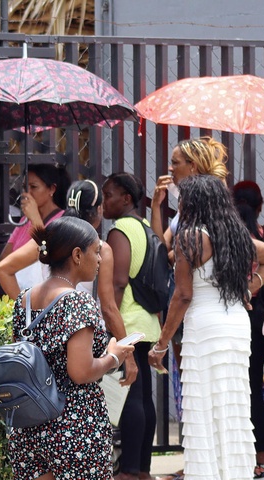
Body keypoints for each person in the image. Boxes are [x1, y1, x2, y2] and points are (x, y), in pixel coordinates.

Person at [146, 174, 264, 479]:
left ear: (192, 202)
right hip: (235, 323)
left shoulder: (191, 236)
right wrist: (248, 289)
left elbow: (182, 295)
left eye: (181, 199)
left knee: (205, 406)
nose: (178, 204)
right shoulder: (233, 233)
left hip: (205, 324)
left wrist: (161, 343)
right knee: (232, 403)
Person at [6, 216, 135, 480]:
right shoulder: (77, 301)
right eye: (96, 252)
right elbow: (80, 371)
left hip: (28, 423)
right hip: (73, 425)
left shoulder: (24, 300)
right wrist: (114, 357)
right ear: (77, 255)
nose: (100, 260)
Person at [102, 172, 162, 480]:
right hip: (147, 322)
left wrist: (112, 327)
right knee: (142, 397)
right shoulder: (146, 227)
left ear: (126, 198)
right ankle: (143, 469)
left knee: (131, 397)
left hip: (128, 323)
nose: (104, 200)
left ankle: (128, 471)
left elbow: (119, 281)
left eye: (109, 194)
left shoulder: (120, 230)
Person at [232, 180, 264, 479]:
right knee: (254, 389)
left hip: (238, 313)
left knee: (239, 391)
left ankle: (249, 458)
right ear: (260, 206)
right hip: (263, 317)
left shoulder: (230, 238)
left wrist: (245, 291)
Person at [150, 136, 229, 248]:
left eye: (175, 163)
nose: (170, 168)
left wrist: (173, 257)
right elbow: (162, 246)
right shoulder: (186, 198)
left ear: (192, 166)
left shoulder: (206, 201)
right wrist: (156, 205)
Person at [0, 163, 70, 265]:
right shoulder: (24, 220)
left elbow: (47, 256)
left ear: (52, 189)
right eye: (24, 187)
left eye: (33, 187)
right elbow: (3, 260)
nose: (27, 193)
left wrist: (35, 220)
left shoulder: (63, 220)